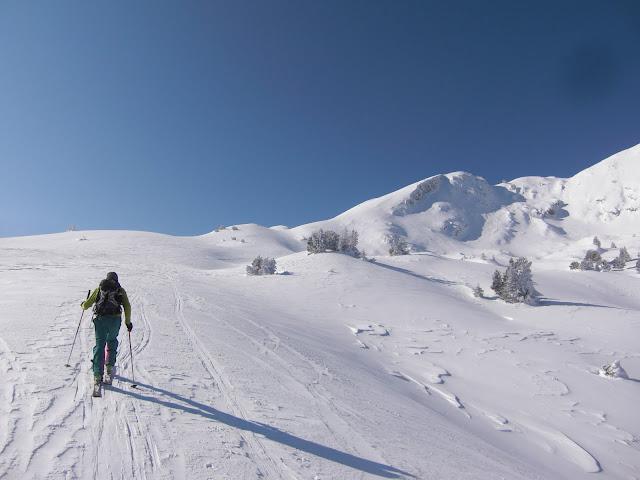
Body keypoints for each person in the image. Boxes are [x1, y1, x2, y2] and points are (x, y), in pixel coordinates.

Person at [81, 272, 132, 386]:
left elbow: (87, 305)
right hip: (114, 321)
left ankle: (97, 374)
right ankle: (109, 367)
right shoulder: (120, 290)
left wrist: (82, 304)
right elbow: (127, 306)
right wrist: (128, 322)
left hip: (100, 320)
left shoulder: (99, 289)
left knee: (100, 345)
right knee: (112, 341)